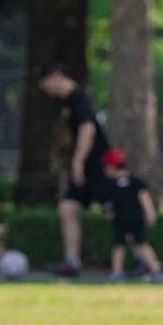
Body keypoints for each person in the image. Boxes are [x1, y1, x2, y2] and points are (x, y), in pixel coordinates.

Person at [38, 62, 110, 276]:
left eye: (46, 84)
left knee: (117, 210)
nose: (47, 90)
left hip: (96, 164)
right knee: (68, 208)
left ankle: (147, 260)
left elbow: (88, 129)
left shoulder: (78, 97)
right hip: (84, 164)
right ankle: (72, 262)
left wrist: (79, 161)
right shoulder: (67, 101)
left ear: (56, 76)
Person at [101, 148, 163, 282]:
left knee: (129, 245)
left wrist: (150, 214)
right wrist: (150, 214)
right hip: (128, 220)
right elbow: (144, 201)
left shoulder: (118, 185)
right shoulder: (130, 183)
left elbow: (144, 201)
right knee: (131, 245)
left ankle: (152, 269)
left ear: (112, 167)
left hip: (128, 220)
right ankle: (121, 271)